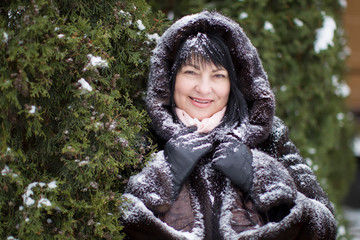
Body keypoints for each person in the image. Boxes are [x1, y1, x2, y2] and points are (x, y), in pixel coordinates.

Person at [120, 11, 337, 240]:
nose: (204, 89)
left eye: (218, 76)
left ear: (233, 83)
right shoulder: (144, 139)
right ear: (169, 79)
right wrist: (164, 174)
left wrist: (258, 176)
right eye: (191, 72)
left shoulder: (270, 138)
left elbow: (322, 225)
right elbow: (109, 220)